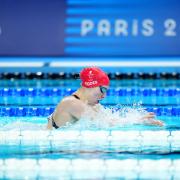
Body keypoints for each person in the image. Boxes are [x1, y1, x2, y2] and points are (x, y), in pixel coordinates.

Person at [47, 67, 164, 129]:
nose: (104, 96)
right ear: (89, 85)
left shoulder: (92, 105)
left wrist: (138, 118)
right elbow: (105, 123)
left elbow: (110, 120)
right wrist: (137, 121)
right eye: (102, 90)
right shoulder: (71, 103)